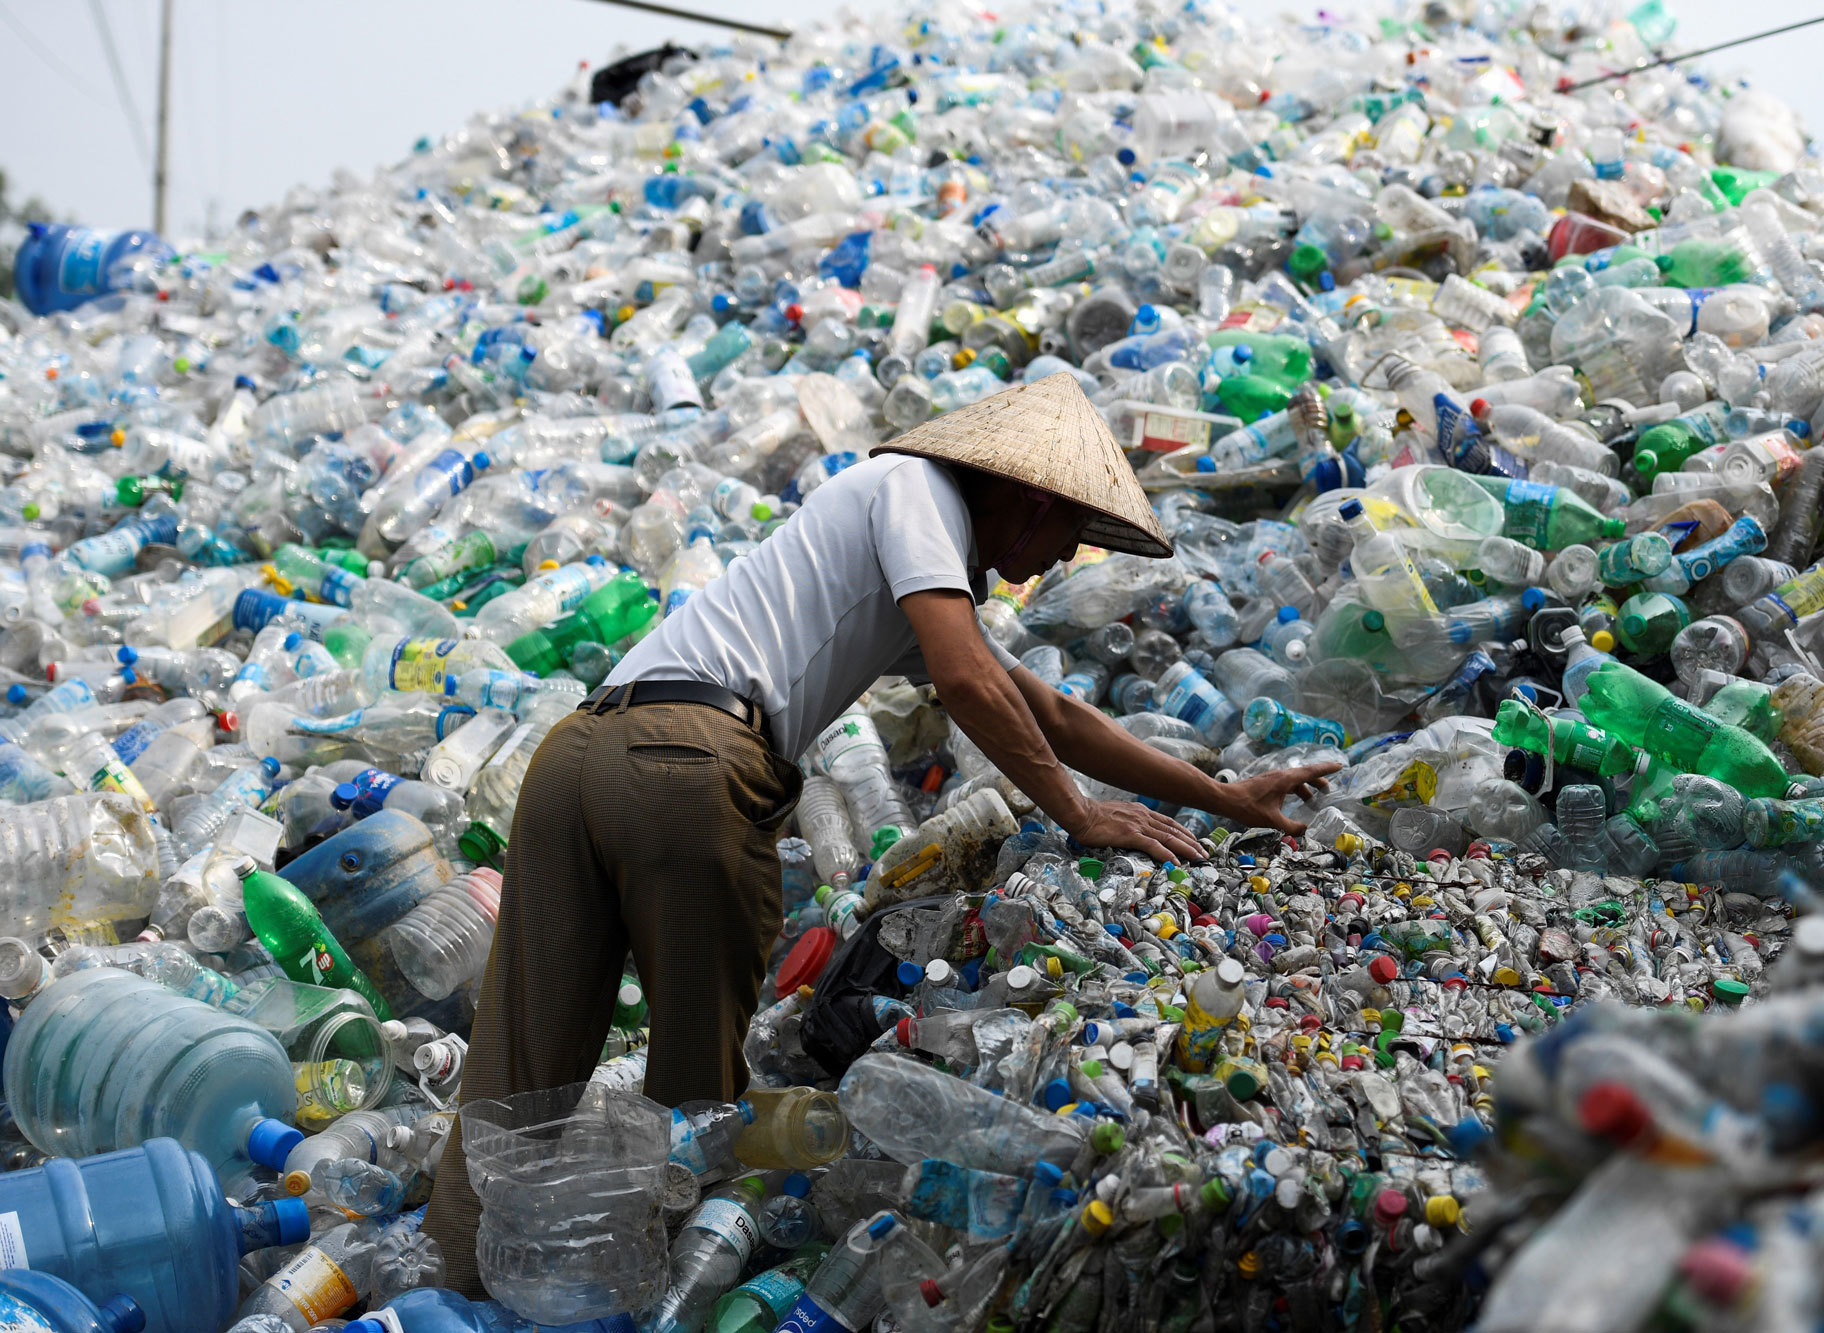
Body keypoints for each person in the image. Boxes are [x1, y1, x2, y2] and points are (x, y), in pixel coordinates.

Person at [421, 373, 1339, 1291]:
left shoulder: (903, 554)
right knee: (696, 1107)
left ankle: (437, 1285)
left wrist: (1229, 796)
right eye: (1071, 532)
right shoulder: (917, 491)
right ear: (1030, 496)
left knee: (514, 1073)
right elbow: (973, 685)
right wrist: (1079, 812)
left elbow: (1052, 710)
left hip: (575, 755)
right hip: (685, 767)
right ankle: (661, 1297)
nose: (1061, 559)